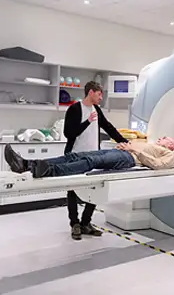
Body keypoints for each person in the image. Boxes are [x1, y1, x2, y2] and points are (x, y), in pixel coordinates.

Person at [63, 81, 128, 240]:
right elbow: (68, 134)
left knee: (95, 190)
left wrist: (124, 142)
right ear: (91, 92)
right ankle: (75, 224)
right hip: (75, 155)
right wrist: (87, 122)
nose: (101, 98)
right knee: (72, 190)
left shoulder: (96, 110)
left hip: (94, 156)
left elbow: (108, 127)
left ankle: (86, 222)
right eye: (99, 94)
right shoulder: (74, 109)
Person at [3, 136, 174, 178]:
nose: (160, 138)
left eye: (165, 138)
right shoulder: (149, 142)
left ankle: (47, 170)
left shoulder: (170, 154)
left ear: (172, 145)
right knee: (74, 156)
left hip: (130, 159)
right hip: (122, 152)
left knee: (90, 162)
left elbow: (158, 165)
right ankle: (25, 164)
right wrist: (126, 145)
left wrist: (135, 150)